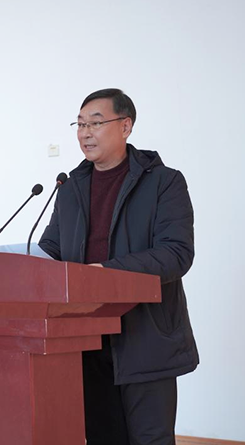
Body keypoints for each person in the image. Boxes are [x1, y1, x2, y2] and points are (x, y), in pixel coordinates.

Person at [38, 89, 199, 445]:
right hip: (85, 339)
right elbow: (51, 250)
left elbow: (176, 254)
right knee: (101, 437)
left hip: (145, 337)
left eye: (95, 123)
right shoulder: (69, 188)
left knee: (150, 439)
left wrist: (104, 272)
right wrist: (23, 263)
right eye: (80, 125)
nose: (85, 133)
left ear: (125, 126)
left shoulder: (164, 182)